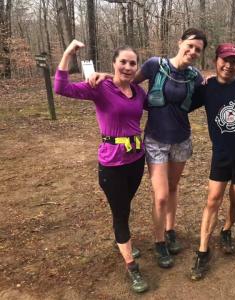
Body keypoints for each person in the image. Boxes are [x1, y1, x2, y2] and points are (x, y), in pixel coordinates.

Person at [90, 28, 208, 268]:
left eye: (198, 49)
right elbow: (125, 80)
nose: (193, 51)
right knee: (161, 195)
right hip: (155, 139)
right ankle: (159, 241)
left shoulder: (195, 77)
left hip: (181, 139)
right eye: (190, 45)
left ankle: (170, 229)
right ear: (180, 42)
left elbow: (211, 93)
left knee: (173, 188)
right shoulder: (156, 65)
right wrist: (103, 76)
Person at [54, 40, 149, 293]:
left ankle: (122, 238)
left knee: (125, 207)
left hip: (137, 160)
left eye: (132, 63)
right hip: (112, 163)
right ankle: (132, 266)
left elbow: (161, 105)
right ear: (114, 63)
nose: (128, 67)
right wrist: (67, 54)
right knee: (120, 212)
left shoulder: (139, 92)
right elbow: (60, 88)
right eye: (123, 62)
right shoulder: (100, 87)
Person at [188, 43, 235, 280]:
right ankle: (202, 250)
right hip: (221, 155)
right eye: (224, 60)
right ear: (215, 60)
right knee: (212, 200)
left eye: (233, 61)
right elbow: (181, 103)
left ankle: (227, 230)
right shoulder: (206, 89)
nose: (228, 65)